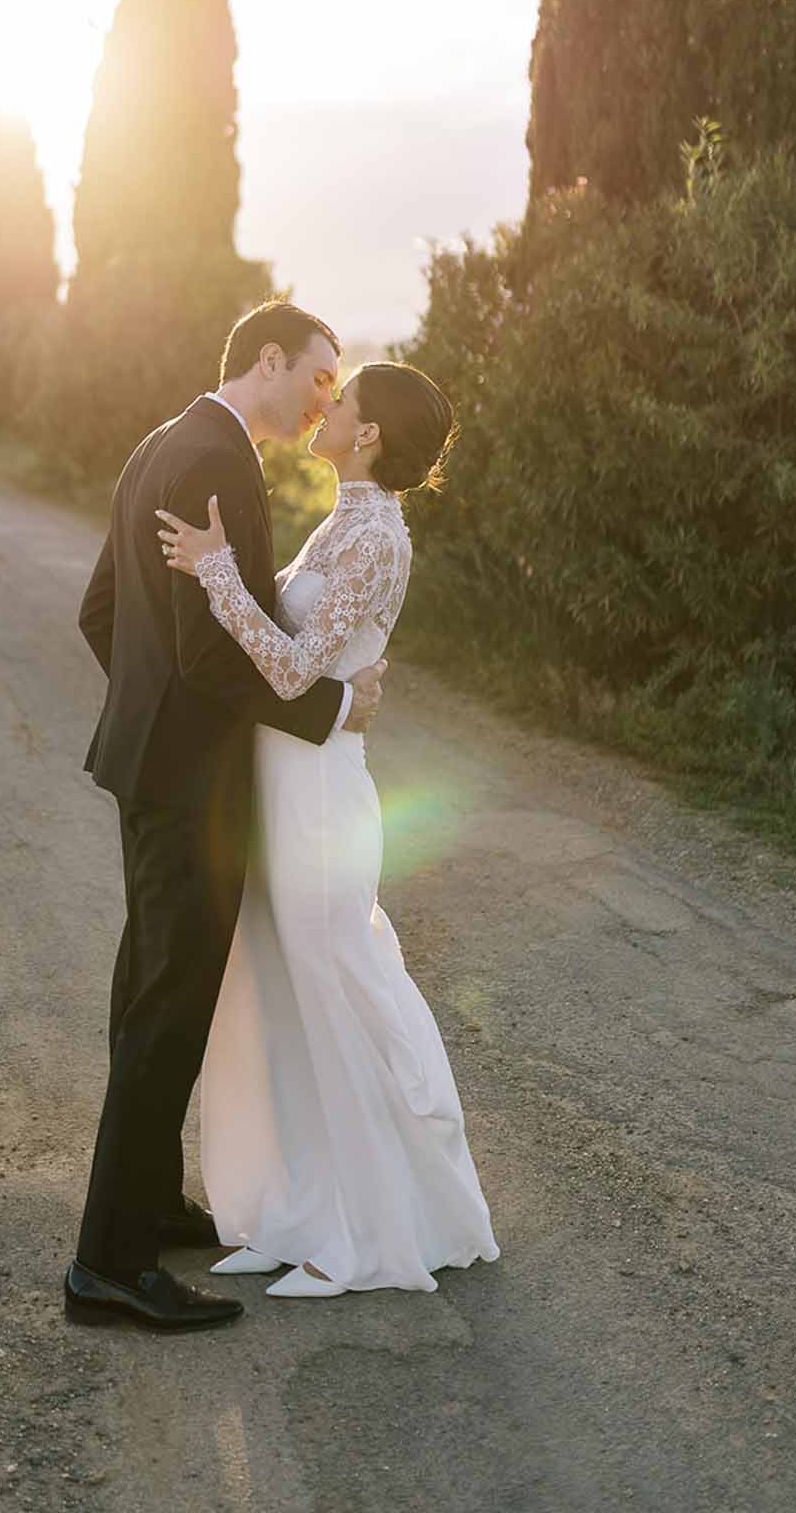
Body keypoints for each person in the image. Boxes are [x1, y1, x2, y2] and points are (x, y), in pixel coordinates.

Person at [64, 302, 388, 1332]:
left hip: (148, 769)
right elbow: (213, 654)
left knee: (146, 989)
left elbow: (100, 612)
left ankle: (149, 1202)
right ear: (268, 359)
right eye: (320, 377)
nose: (323, 398)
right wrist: (331, 706)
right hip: (191, 787)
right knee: (168, 1006)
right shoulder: (219, 462)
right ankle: (108, 1265)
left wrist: (142, 711)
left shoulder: (163, 440)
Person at [156, 360, 500, 1297]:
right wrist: (229, 580)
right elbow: (304, 654)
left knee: (329, 987)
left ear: (371, 433)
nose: (325, 406)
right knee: (276, 994)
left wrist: (219, 574)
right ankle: (294, 1210)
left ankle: (358, 1240)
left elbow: (295, 674)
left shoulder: (381, 538)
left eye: (340, 401)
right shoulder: (342, 519)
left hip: (317, 796)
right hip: (276, 785)